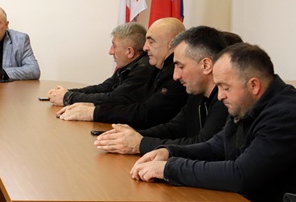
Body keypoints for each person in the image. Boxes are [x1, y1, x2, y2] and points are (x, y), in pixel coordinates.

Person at [130, 43, 296, 202]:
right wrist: (169, 152)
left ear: (254, 85)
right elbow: (216, 147)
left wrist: (169, 169)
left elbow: (240, 175)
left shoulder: (285, 113)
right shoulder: (246, 104)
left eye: (225, 87)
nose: (220, 96)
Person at [94, 26, 232, 155]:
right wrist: (132, 136)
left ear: (206, 65)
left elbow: (203, 145)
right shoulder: (197, 93)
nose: (176, 76)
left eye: (181, 66)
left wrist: (141, 144)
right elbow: (175, 128)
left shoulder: (225, 100)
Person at [57, 17, 187, 128]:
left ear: (172, 45)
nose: (145, 47)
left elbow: (145, 112)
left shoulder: (155, 69)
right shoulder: (159, 67)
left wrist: (92, 111)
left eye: (151, 42)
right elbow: (107, 89)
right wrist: (70, 95)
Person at [47, 22, 153, 107]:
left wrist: (68, 97)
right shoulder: (128, 66)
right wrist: (66, 93)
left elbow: (114, 99)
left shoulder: (143, 69)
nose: (110, 52)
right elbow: (103, 88)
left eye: (114, 46)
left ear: (129, 52)